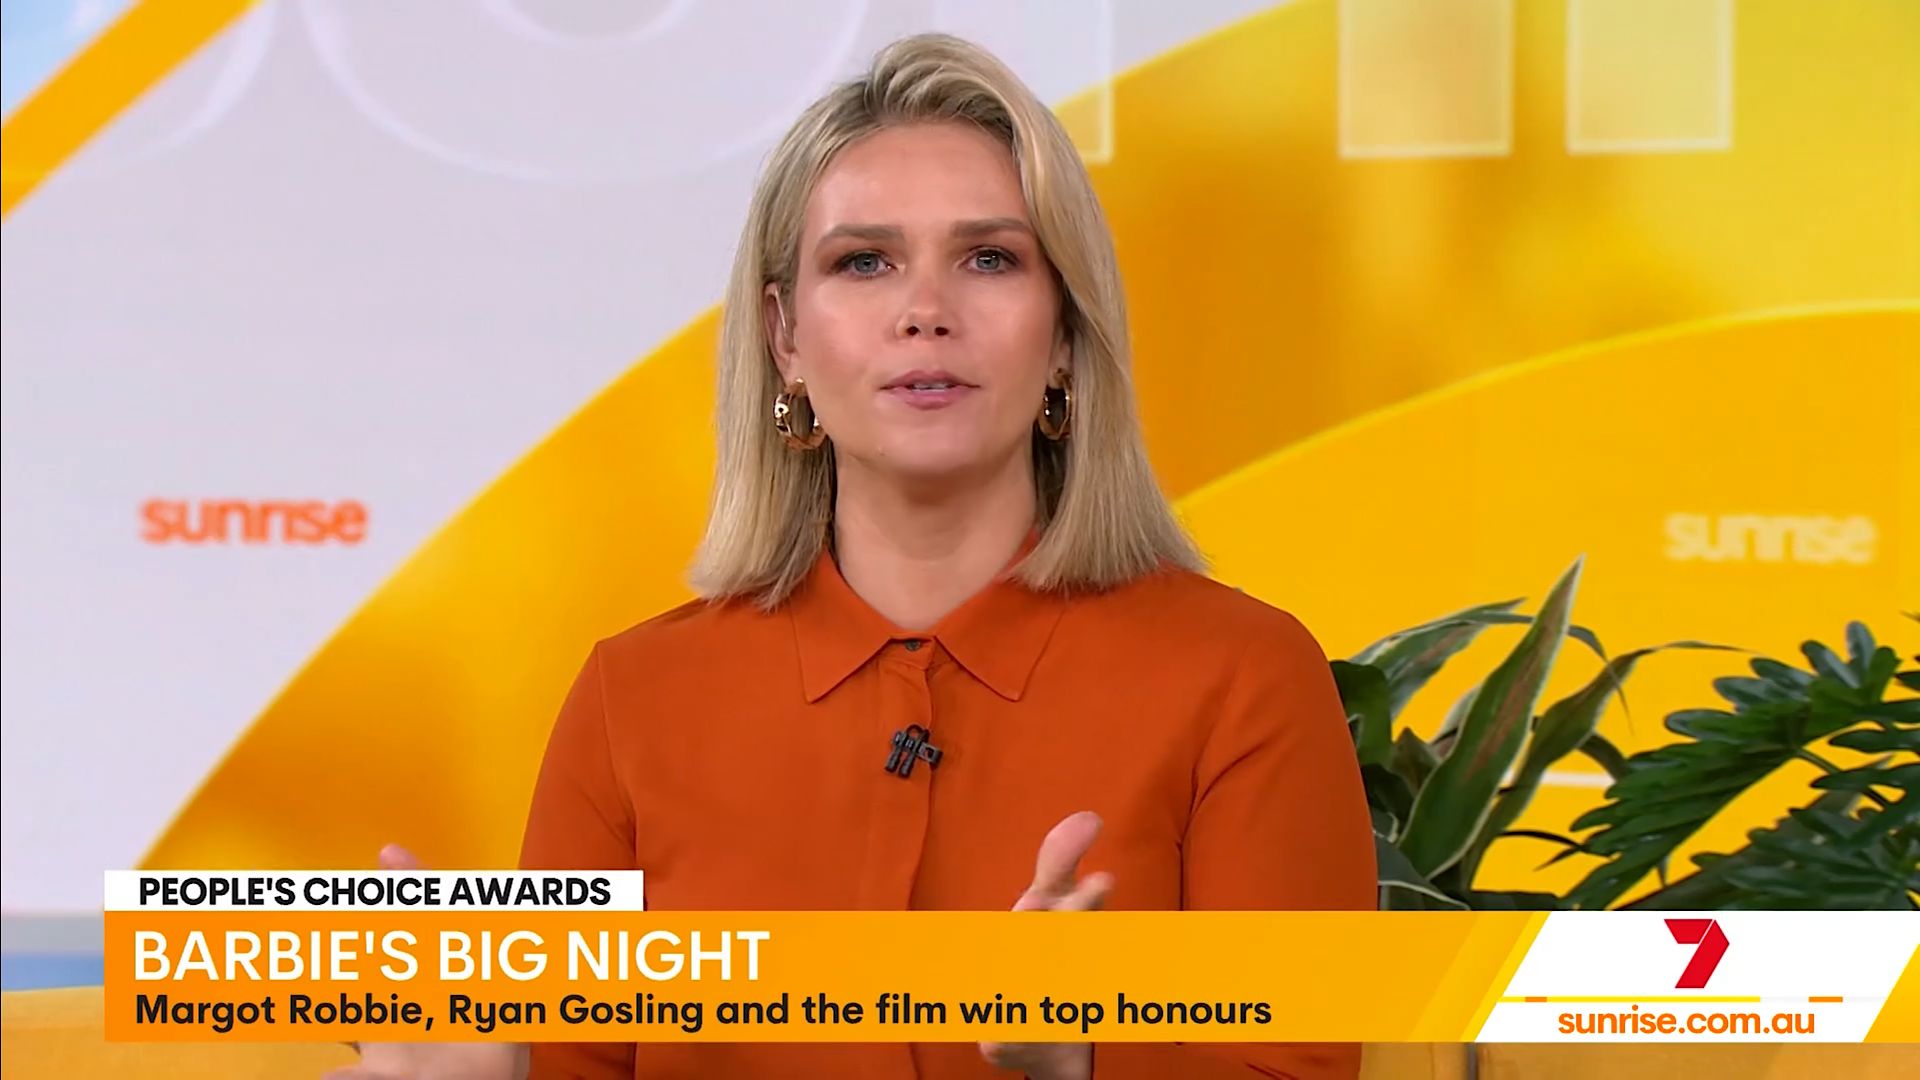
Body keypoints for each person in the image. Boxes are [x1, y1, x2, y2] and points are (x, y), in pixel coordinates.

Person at [334, 31, 1373, 1080]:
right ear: (784, 337)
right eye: (864, 262)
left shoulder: (1242, 679)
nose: (925, 314)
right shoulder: (631, 704)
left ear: (1064, 334)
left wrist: (1081, 1063)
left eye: (990, 258)